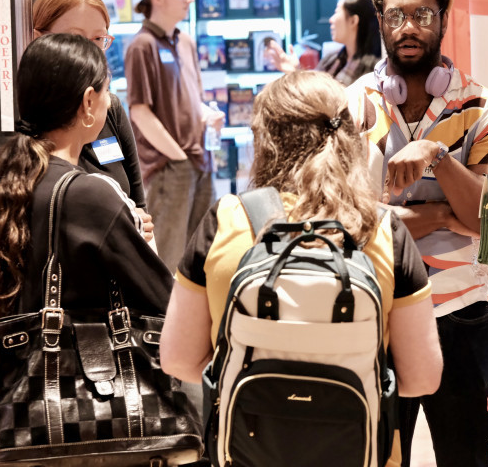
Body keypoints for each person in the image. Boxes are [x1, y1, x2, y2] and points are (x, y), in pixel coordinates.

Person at [159, 71, 443, 465]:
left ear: (265, 140)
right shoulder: (383, 230)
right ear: (348, 139)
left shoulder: (225, 220)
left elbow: (177, 360)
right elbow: (422, 378)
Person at [346, 0, 488, 467]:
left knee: (471, 458)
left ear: (443, 19)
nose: (409, 27)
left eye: (422, 14)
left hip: (461, 315)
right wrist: (444, 215)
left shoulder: (486, 109)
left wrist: (438, 157)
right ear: (381, 23)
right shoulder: (351, 107)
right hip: (376, 314)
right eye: (396, 16)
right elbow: (353, 226)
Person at [0, 33, 172, 318]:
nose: (110, 102)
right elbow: (164, 298)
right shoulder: (89, 195)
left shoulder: (10, 174)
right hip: (83, 360)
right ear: (88, 102)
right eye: (107, 91)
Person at [33, 0, 154, 241]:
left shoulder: (110, 108)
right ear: (38, 38)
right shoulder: (29, 118)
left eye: (98, 39)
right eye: (75, 38)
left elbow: (140, 209)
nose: (89, 51)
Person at [125, 0, 224, 271]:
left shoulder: (186, 42)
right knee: (168, 256)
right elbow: (139, 110)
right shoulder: (142, 46)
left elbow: (194, 100)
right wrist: (177, 156)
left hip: (201, 159)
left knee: (206, 251)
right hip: (171, 166)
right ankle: (165, 319)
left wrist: (209, 115)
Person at [265, 0, 381, 86]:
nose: (331, 20)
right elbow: (315, 94)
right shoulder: (331, 60)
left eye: (336, 12)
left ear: (353, 21)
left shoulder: (375, 70)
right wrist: (294, 72)